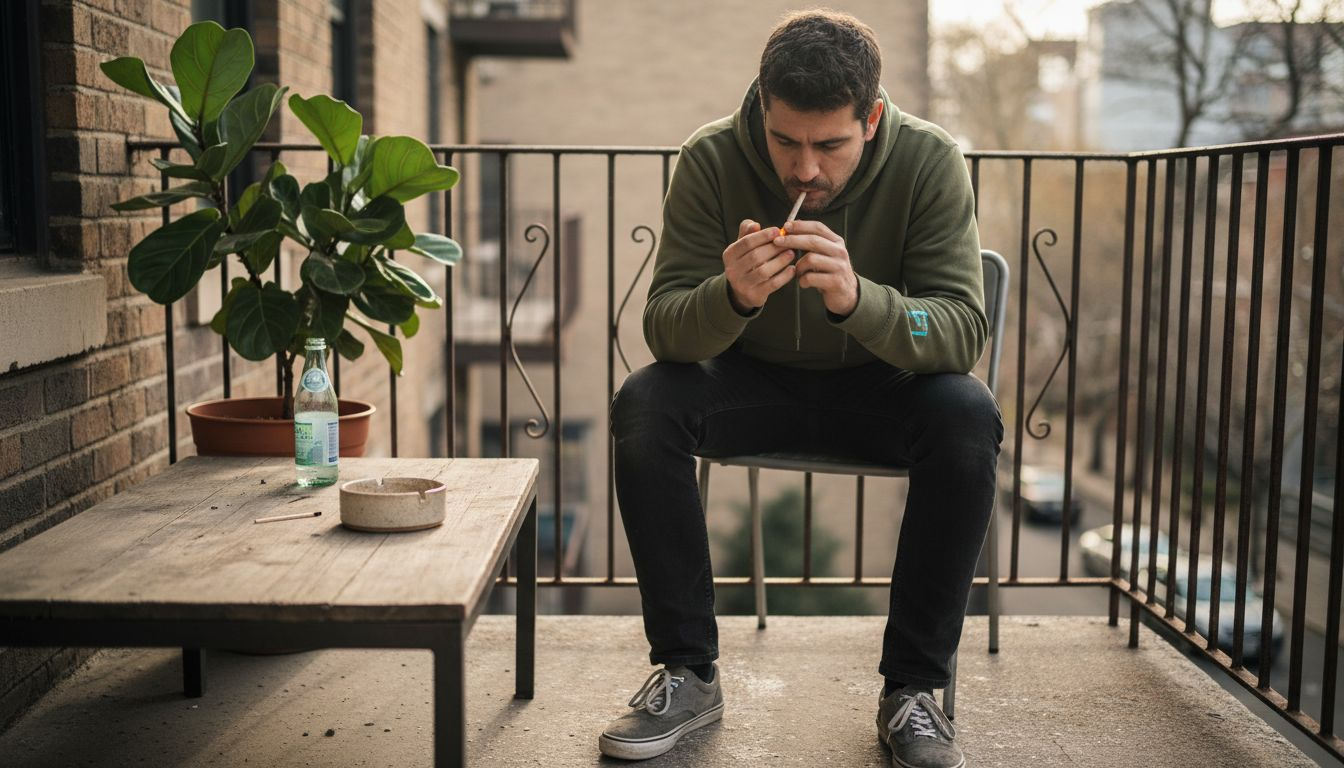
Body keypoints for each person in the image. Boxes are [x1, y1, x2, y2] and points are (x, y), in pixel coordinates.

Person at [601, 10, 1002, 767]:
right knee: (647, 403)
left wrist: (859, 300)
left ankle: (914, 691)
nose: (806, 170)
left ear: (871, 120)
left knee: (967, 414)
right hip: (748, 383)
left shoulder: (930, 160)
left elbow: (960, 334)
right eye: (786, 141)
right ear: (762, 106)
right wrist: (731, 296)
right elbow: (666, 330)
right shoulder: (711, 157)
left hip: (883, 388)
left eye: (830, 145)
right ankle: (687, 673)